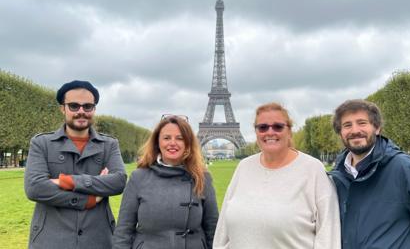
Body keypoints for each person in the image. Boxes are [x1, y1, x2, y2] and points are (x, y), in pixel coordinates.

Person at [329, 99, 410, 249]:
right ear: (340, 132)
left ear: (377, 128)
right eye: (347, 125)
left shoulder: (405, 168)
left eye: (362, 123)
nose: (355, 130)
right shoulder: (337, 177)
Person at [213, 102, 341, 249]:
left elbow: (328, 233)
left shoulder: (313, 169)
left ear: (289, 131)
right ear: (256, 132)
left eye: (278, 126)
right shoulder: (244, 167)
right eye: (263, 127)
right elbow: (223, 231)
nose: (270, 132)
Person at [24, 80, 127, 249]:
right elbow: (35, 188)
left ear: (94, 109)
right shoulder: (41, 143)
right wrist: (90, 199)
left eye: (87, 106)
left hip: (97, 240)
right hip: (51, 240)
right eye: (74, 106)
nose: (81, 111)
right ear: (62, 108)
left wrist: (68, 182)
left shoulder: (109, 145)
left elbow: (119, 181)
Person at [112, 114, 219, 249]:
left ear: (188, 143)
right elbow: (124, 230)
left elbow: (213, 229)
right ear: (158, 142)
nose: (172, 143)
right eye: (167, 138)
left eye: (179, 138)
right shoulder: (138, 178)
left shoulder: (202, 178)